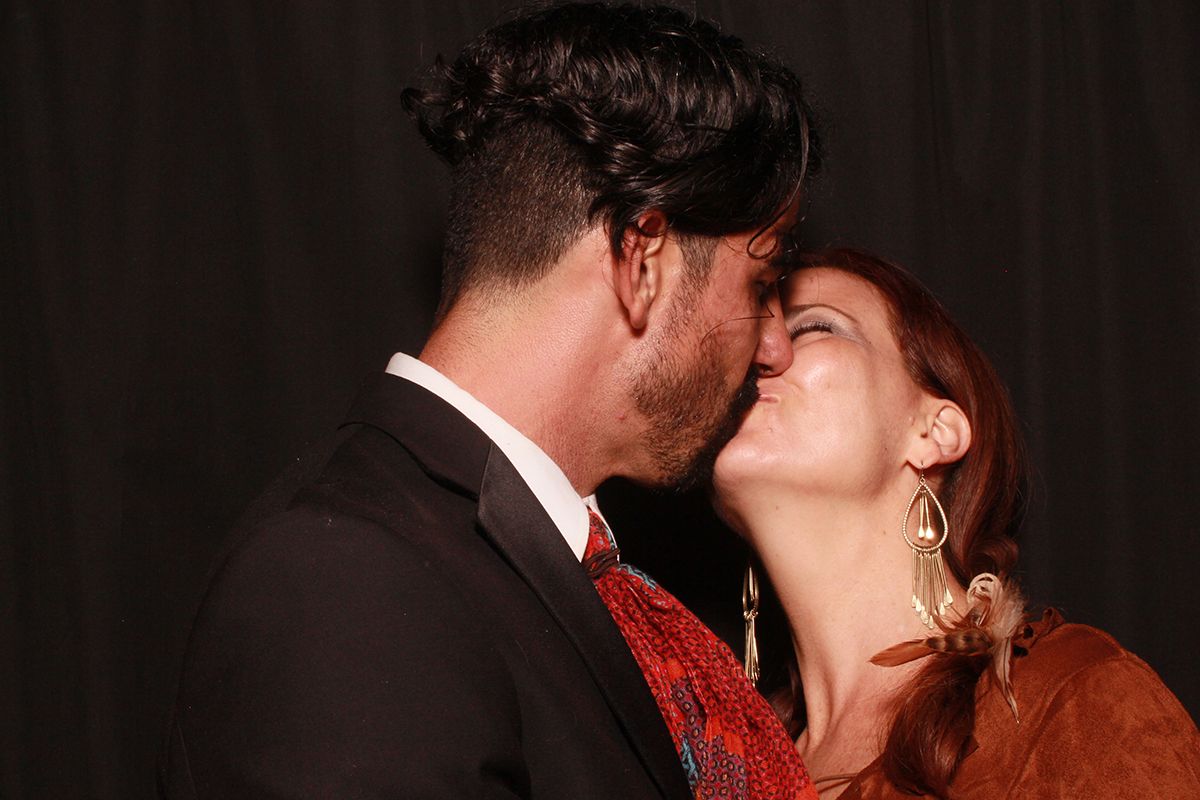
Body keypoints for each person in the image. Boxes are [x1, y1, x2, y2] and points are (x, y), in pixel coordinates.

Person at [159, 4, 820, 798]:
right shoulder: (348, 580)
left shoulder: (522, 563)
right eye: (761, 284)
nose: (774, 347)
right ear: (640, 259)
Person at [712, 247, 1200, 798]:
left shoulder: (1070, 701)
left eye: (812, 328)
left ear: (935, 433)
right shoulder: (714, 770)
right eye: (747, 334)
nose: (763, 351)